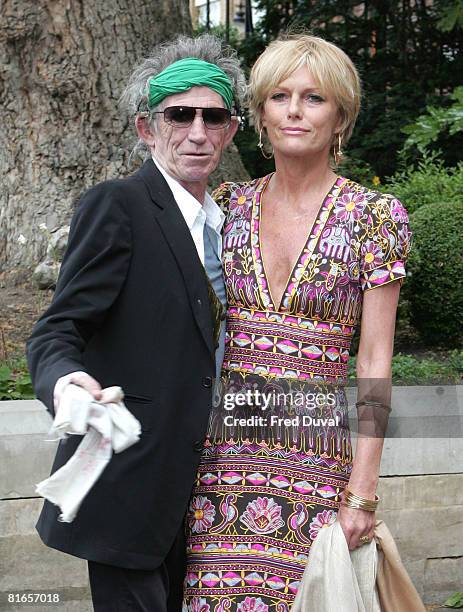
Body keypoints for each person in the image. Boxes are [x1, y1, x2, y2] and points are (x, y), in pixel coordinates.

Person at [183, 34, 412, 610]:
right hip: (223, 460)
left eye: (313, 98)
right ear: (259, 113)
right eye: (279, 96)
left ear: (340, 114)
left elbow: (375, 360)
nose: (293, 111)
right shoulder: (228, 206)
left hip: (319, 457)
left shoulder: (375, 217)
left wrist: (362, 491)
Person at [26, 34, 244, 612]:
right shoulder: (118, 204)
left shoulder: (232, 224)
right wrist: (65, 381)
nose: (197, 132)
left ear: (231, 130)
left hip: (208, 490)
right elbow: (57, 329)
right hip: (131, 481)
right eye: (179, 115)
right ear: (147, 128)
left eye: (213, 116)